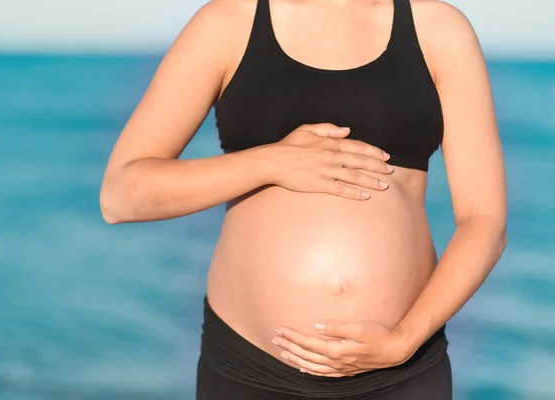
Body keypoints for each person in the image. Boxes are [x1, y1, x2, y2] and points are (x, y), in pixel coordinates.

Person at [99, 0, 508, 398]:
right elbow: (121, 195)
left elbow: (484, 220)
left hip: (403, 369)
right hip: (249, 367)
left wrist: (404, 339)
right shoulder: (226, 22)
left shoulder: (439, 28)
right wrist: (269, 163)